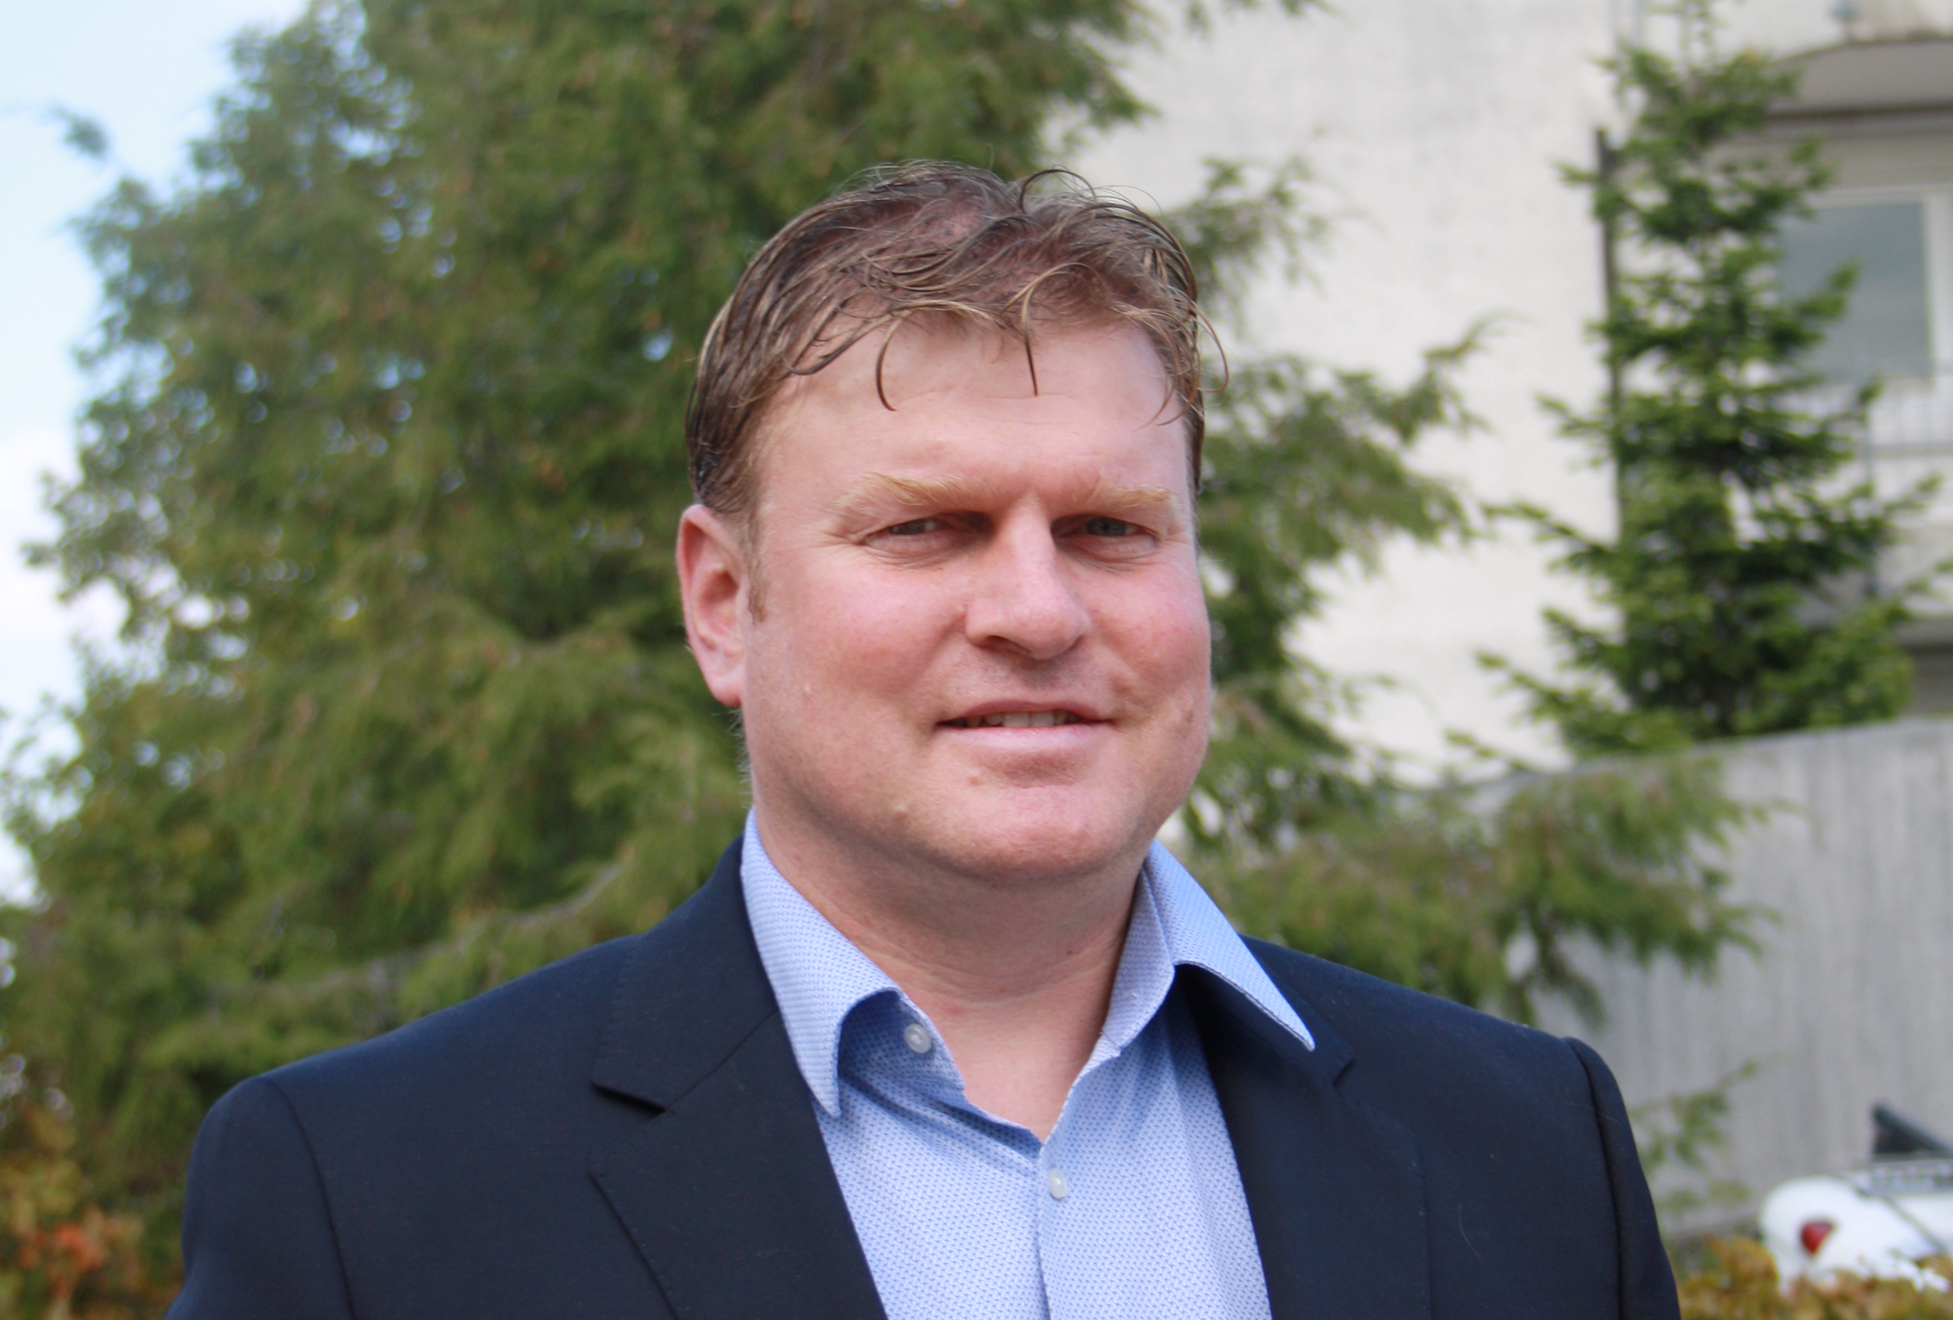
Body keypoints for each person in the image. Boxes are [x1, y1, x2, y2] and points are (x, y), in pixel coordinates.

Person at [168, 163, 1680, 1320]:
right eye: (928, 528)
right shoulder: (369, 1203)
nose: (1037, 610)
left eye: (1109, 528)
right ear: (723, 604)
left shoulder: (1534, 1152)